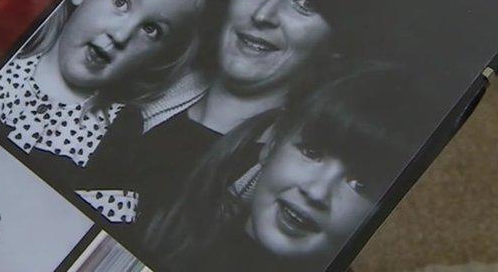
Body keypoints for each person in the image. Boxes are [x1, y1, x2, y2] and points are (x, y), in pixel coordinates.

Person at [122, 0, 387, 229]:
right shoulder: (137, 82)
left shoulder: (279, 185)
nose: (263, 15)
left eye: (305, 4)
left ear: (337, 41)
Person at [0, 0, 214, 222]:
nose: (121, 34)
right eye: (121, 2)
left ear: (158, 55)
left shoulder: (118, 141)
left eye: (151, 29)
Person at [144, 66, 437, 271]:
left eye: (360, 184)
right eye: (311, 152)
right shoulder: (164, 236)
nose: (316, 192)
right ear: (271, 144)